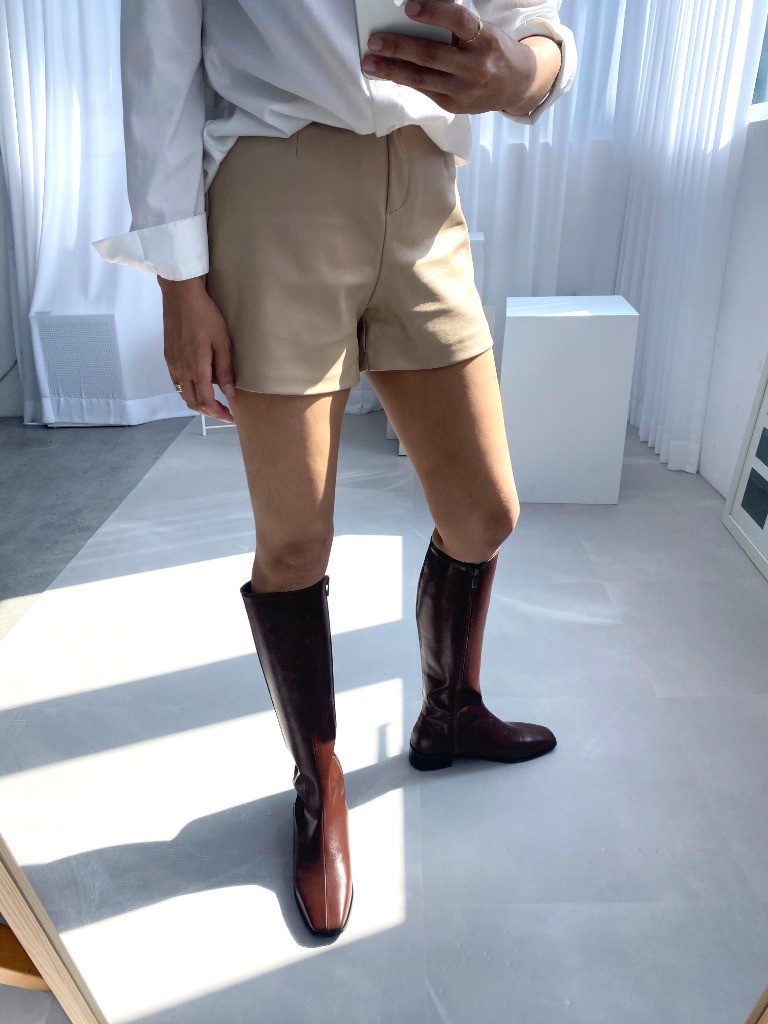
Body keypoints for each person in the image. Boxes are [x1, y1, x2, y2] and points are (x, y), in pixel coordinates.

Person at [93, 0, 577, 940]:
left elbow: (531, 21)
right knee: (294, 541)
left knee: (486, 510)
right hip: (276, 179)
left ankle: (450, 712)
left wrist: (521, 73)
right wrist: (181, 283)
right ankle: (319, 785)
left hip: (426, 184)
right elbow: (159, 65)